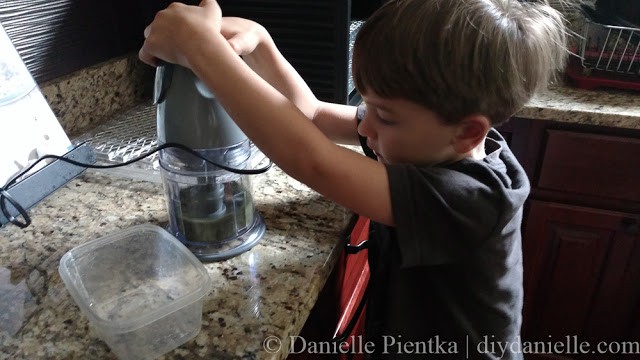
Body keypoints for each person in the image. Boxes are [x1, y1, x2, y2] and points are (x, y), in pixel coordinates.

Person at [139, 0, 568, 358]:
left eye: (383, 115)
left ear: (467, 131)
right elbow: (313, 115)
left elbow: (313, 160)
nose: (365, 128)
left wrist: (201, 49)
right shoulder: (436, 140)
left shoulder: (469, 198)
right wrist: (261, 43)